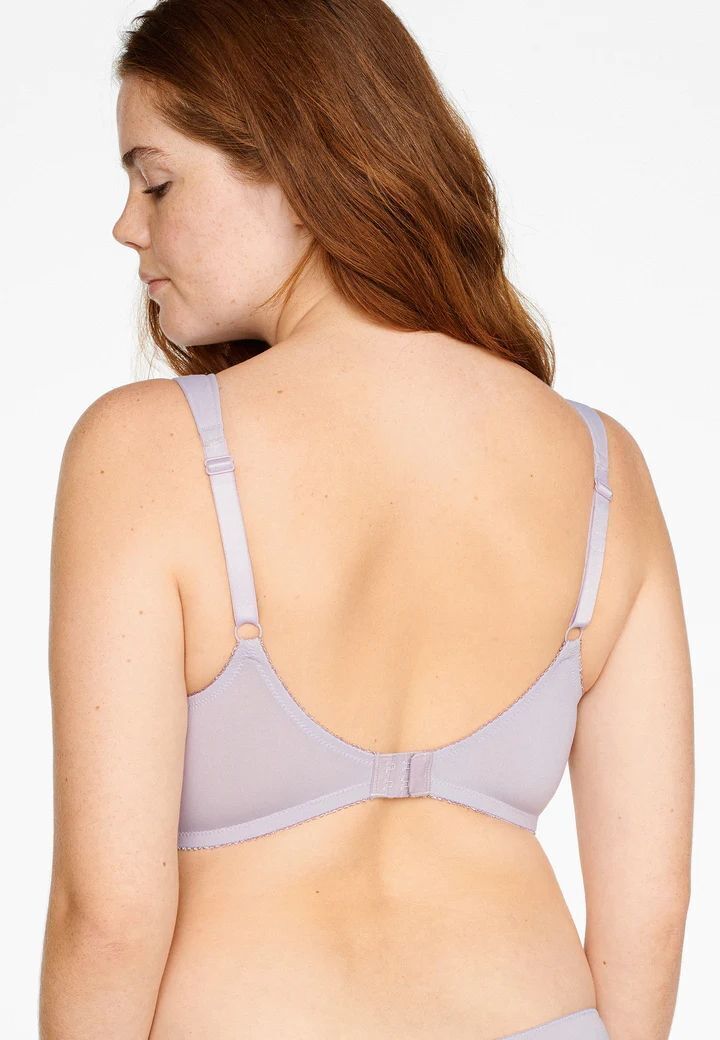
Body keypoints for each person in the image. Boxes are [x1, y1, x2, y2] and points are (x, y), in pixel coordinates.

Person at [39, 2, 693, 1038]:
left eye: (156, 180)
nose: (128, 225)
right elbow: (648, 918)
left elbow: (108, 918)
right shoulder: (603, 467)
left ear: (299, 171)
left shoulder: (148, 452)